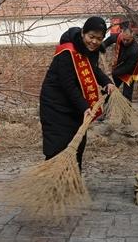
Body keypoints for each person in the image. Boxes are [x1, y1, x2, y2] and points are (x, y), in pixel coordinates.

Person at [39, 16, 116, 169]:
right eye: (91, 36)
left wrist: (107, 82)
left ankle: (73, 181)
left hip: (75, 105)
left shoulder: (91, 51)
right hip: (55, 105)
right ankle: (52, 183)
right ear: (83, 33)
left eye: (99, 39)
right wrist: (84, 106)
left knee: (78, 143)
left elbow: (93, 70)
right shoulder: (67, 51)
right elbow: (68, 85)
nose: (94, 41)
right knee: (57, 145)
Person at [102, 23, 138, 101]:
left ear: (132, 36)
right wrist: (101, 47)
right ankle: (106, 108)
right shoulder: (119, 37)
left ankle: (126, 111)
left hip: (130, 71)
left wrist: (113, 73)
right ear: (122, 34)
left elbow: (127, 67)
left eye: (128, 40)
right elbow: (109, 40)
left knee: (127, 95)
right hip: (119, 65)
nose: (125, 42)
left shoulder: (135, 51)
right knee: (109, 89)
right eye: (124, 39)